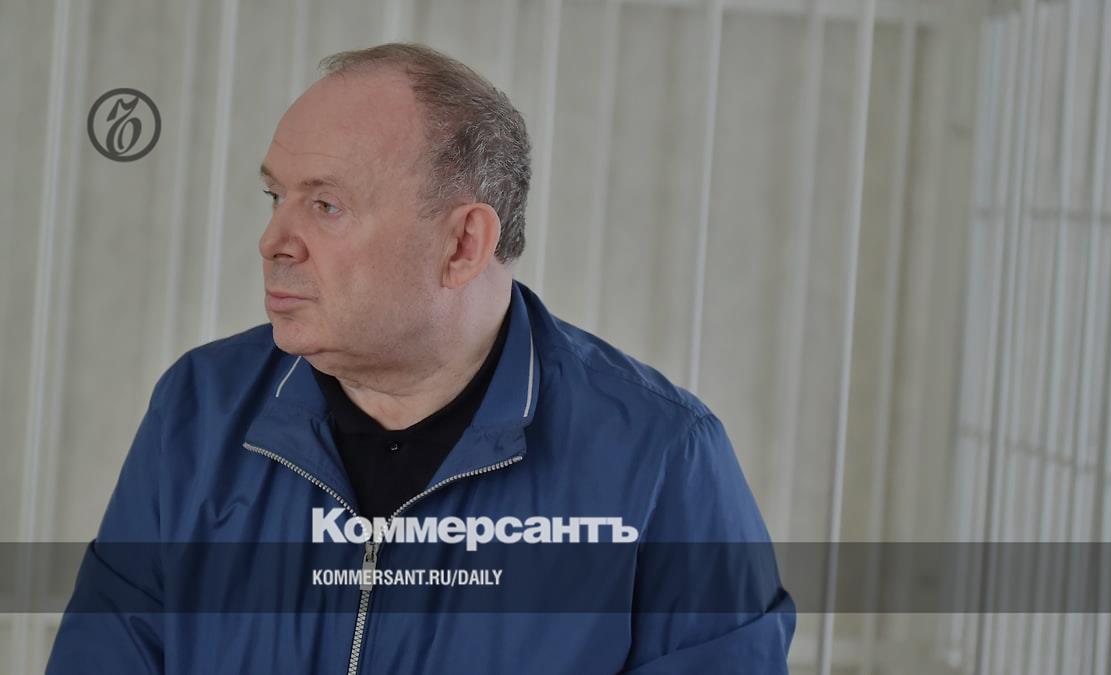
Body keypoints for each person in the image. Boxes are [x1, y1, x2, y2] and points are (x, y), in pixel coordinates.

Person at [46, 43, 794, 674]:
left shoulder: (662, 459)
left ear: (463, 244)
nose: (273, 240)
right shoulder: (199, 409)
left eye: (326, 205)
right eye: (275, 196)